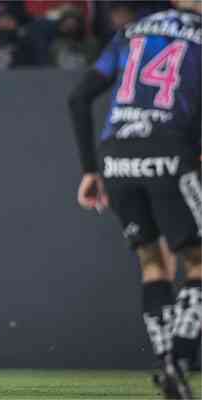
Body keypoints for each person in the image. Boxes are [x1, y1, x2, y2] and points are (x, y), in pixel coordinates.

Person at [67, 2, 201, 398]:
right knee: (197, 261)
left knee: (152, 263)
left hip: (117, 156)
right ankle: (178, 358)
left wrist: (91, 169)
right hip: (168, 148)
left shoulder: (132, 31)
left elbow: (78, 98)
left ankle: (164, 362)